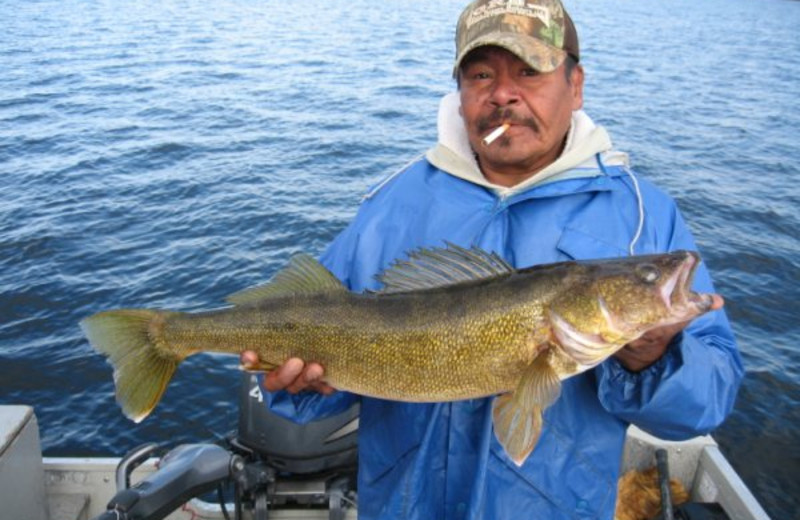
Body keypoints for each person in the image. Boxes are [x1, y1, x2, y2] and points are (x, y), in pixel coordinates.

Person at [242, 0, 743, 518]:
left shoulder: (643, 215)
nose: (504, 94)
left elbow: (707, 400)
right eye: (481, 74)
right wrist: (301, 388)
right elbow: (302, 377)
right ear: (459, 95)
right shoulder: (391, 204)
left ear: (575, 85)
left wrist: (650, 359)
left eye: (530, 71)